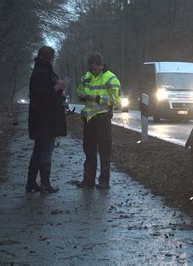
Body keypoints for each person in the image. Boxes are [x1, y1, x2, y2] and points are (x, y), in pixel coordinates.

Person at [76, 52, 121, 189]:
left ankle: (104, 181)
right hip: (88, 119)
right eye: (92, 67)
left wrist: (96, 98)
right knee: (89, 152)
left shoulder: (111, 78)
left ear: (102, 65)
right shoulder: (86, 77)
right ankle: (88, 180)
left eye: (96, 67)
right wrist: (83, 96)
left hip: (102, 119)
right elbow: (78, 92)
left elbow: (117, 101)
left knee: (104, 152)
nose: (94, 70)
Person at [26, 46, 68, 193]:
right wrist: (57, 88)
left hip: (41, 118)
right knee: (46, 150)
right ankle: (44, 183)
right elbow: (42, 94)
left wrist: (59, 88)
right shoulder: (42, 72)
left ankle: (31, 183)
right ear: (50, 58)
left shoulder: (41, 70)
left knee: (38, 150)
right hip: (45, 119)